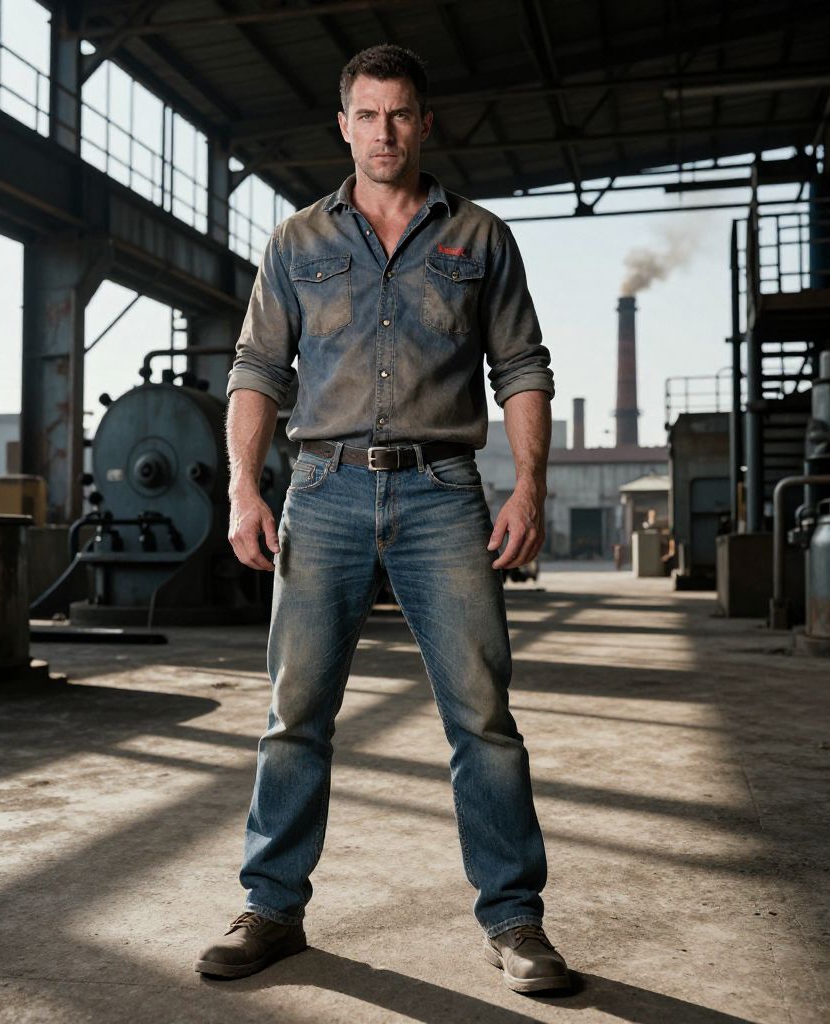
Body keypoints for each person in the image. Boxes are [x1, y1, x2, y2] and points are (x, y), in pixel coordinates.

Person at [195, 44, 570, 995]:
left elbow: (522, 366)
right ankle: (272, 909)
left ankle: (516, 923)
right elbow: (255, 372)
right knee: (295, 714)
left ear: (425, 123)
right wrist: (245, 488)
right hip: (321, 493)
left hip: (444, 495)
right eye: (367, 114)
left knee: (482, 717)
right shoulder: (297, 244)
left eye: (400, 114)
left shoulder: (479, 239)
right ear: (344, 125)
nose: (384, 131)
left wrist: (528, 487)